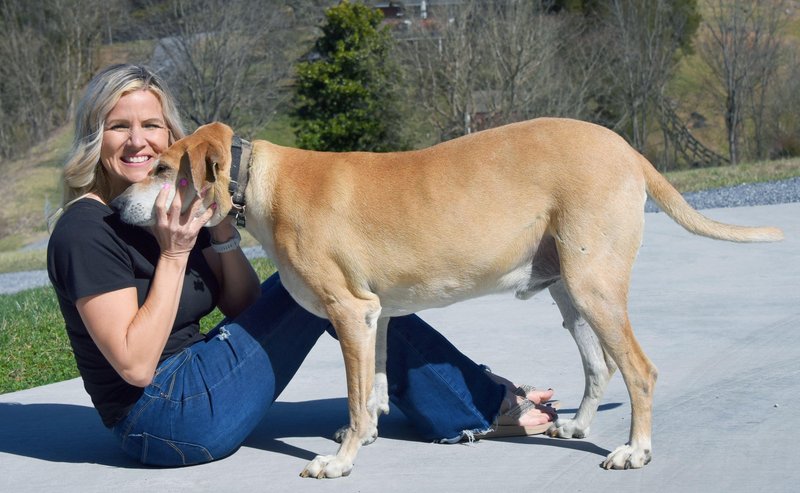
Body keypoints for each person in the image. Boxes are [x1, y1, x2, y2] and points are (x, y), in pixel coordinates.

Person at [46, 63, 557, 467]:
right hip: (161, 418)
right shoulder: (84, 230)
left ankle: (470, 393)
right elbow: (135, 367)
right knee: (335, 285)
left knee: (324, 285)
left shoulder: (175, 199)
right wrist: (176, 255)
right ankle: (481, 400)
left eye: (151, 125)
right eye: (119, 126)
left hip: (199, 384)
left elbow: (246, 304)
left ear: (173, 136)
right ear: (96, 137)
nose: (138, 141)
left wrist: (220, 223)